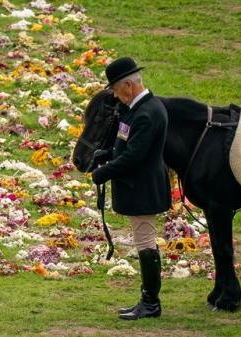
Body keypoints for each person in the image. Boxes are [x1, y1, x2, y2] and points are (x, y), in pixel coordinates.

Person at [91, 57, 171, 320]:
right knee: (143, 241)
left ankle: (150, 302)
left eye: (114, 89)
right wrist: (108, 153)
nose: (114, 95)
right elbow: (126, 144)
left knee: (146, 242)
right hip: (139, 185)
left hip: (143, 187)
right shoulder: (137, 109)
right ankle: (148, 300)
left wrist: (103, 173)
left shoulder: (147, 113)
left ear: (127, 85)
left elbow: (134, 157)